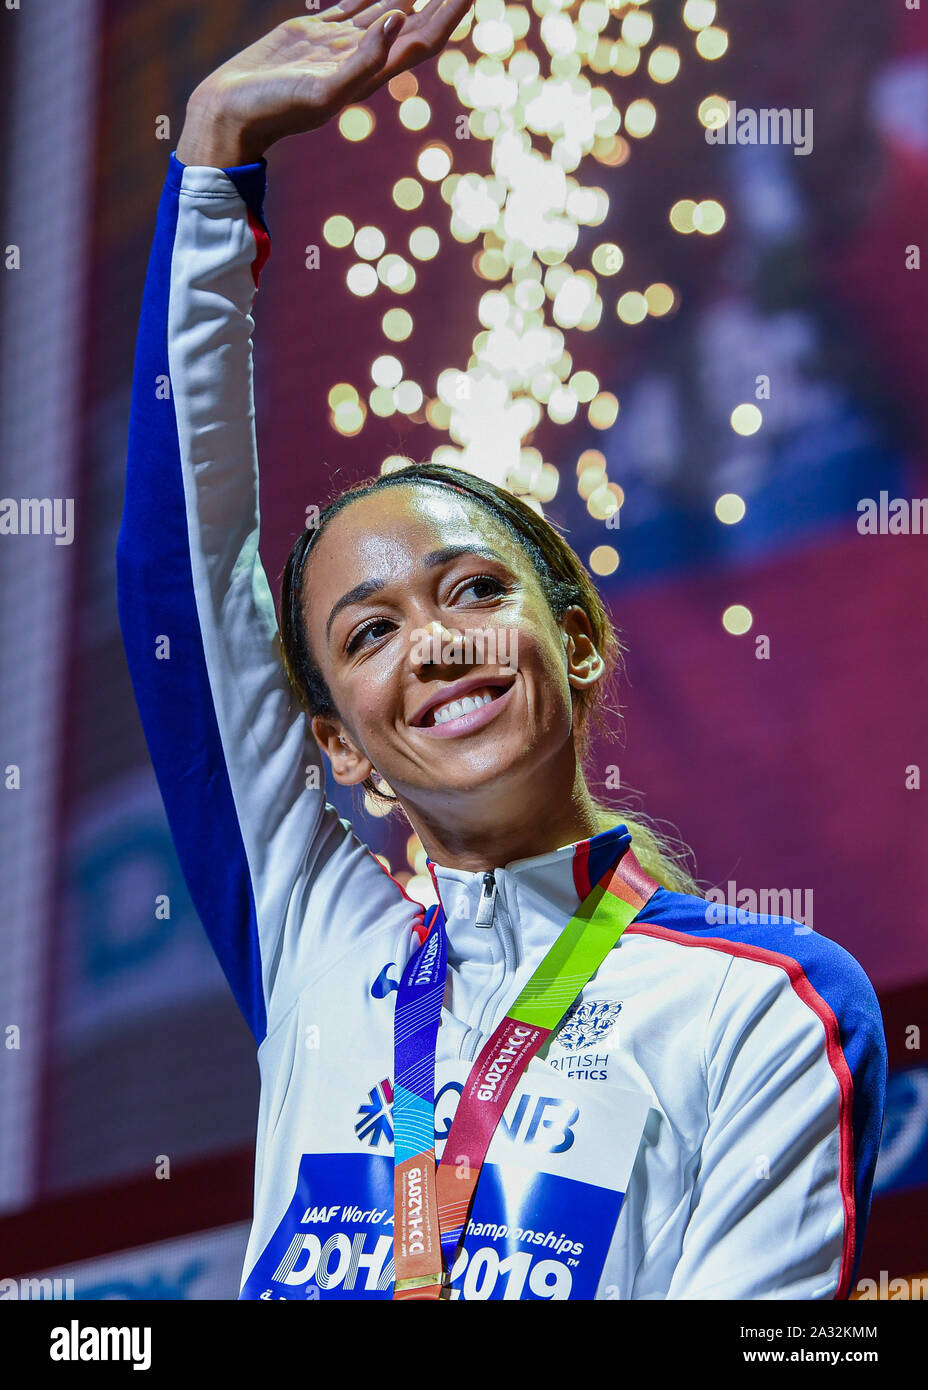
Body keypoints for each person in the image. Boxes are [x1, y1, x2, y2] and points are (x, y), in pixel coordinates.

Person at [117, 3, 887, 1300]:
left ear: (574, 638)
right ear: (334, 743)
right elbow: (177, 579)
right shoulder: (321, 940)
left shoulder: (768, 998)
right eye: (368, 633)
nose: (433, 643)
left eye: (471, 586)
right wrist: (211, 164)